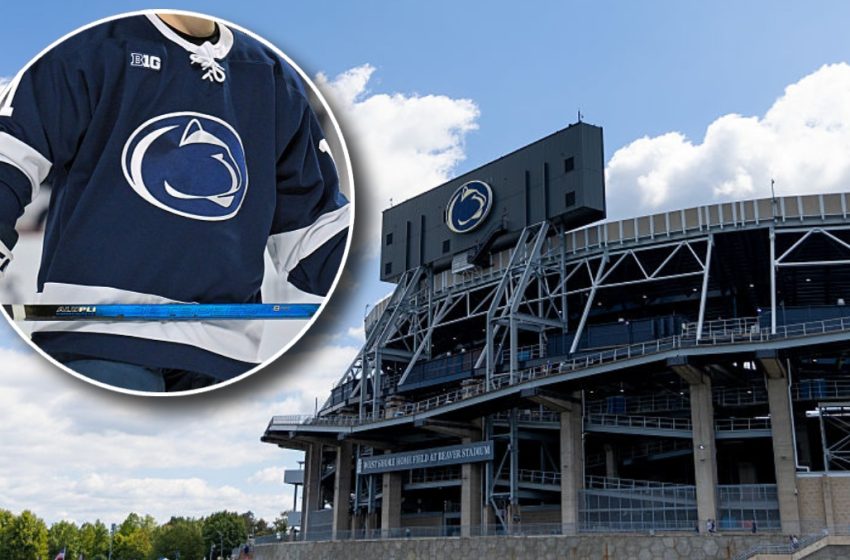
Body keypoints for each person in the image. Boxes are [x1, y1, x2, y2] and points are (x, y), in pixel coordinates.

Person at [0, 12, 350, 391]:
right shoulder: (89, 48)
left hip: (226, 350)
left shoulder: (271, 75)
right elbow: (11, 155)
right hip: (102, 336)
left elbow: (314, 230)